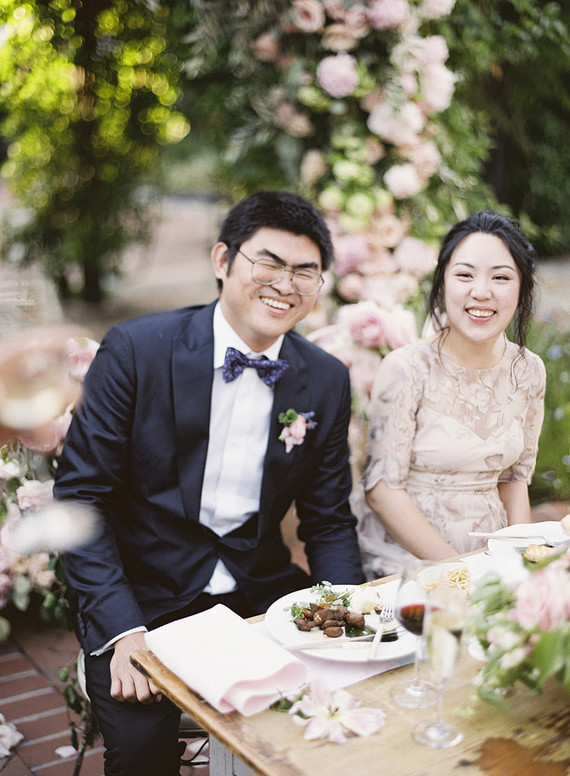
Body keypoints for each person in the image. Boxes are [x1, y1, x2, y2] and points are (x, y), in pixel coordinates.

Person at [53, 190, 365, 775]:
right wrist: (122, 628)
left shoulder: (324, 380)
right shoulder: (136, 350)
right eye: (268, 262)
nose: (285, 283)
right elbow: (80, 498)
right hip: (143, 594)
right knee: (142, 753)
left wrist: (344, 613)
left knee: (342, 717)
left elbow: (328, 519)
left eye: (305, 271)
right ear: (223, 261)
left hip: (260, 583)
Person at [354, 210, 546, 579]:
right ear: (442, 284)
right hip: (413, 560)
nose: (481, 292)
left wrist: (522, 563)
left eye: (501, 278)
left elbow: (515, 479)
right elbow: (381, 490)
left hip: (492, 554)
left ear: (522, 290)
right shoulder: (406, 368)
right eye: (464, 275)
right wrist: (460, 572)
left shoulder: (529, 369)